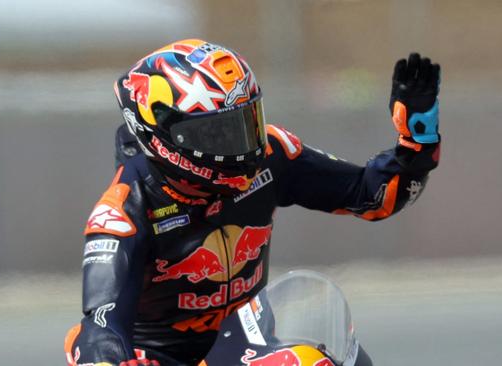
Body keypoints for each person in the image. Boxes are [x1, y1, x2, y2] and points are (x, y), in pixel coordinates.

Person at [64, 39, 441, 366]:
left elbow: (373, 196)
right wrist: (106, 356)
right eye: (217, 133)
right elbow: (99, 328)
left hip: (251, 347)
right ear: (163, 138)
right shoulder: (121, 213)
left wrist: (417, 141)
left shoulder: (274, 156)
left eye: (245, 122)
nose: (241, 145)